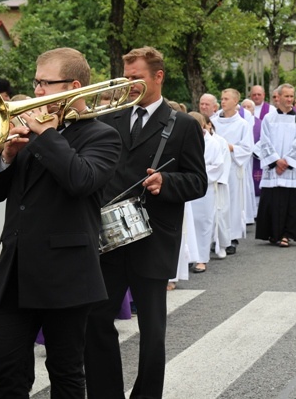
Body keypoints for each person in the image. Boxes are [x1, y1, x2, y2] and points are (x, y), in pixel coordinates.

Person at [0, 47, 121, 399]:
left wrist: (46, 136)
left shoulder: (102, 135)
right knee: (6, 372)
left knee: (66, 372)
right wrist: (7, 157)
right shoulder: (31, 131)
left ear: (73, 86)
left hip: (67, 274)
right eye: (36, 81)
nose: (37, 91)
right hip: (14, 270)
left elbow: (80, 180)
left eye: (45, 83)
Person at [84, 46, 206, 399]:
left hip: (153, 238)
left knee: (153, 331)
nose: (130, 85)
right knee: (96, 319)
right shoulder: (109, 118)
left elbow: (197, 181)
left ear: (158, 76)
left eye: (136, 78)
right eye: (126, 78)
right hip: (108, 238)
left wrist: (167, 183)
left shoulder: (182, 125)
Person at [256, 84, 296, 247]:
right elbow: (264, 141)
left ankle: (287, 234)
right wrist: (275, 161)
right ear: (278, 97)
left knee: (291, 202)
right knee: (273, 200)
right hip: (274, 168)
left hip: (290, 169)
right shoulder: (269, 118)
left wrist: (287, 162)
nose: (290, 100)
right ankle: (273, 233)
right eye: (286, 96)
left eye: (292, 96)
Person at [212, 88, 254, 255]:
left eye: (227, 99)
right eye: (222, 98)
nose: (223, 101)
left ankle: (230, 237)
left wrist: (229, 147)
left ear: (236, 102)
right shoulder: (214, 121)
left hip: (233, 169)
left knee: (232, 203)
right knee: (216, 203)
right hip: (216, 167)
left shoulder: (242, 124)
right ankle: (214, 236)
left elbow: (247, 148)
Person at [189, 111, 224, 273]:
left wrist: (197, 173)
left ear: (203, 125)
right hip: (186, 187)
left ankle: (202, 259)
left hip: (204, 188)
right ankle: (188, 257)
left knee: (203, 223)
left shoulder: (213, 143)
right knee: (188, 224)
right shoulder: (186, 140)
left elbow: (217, 166)